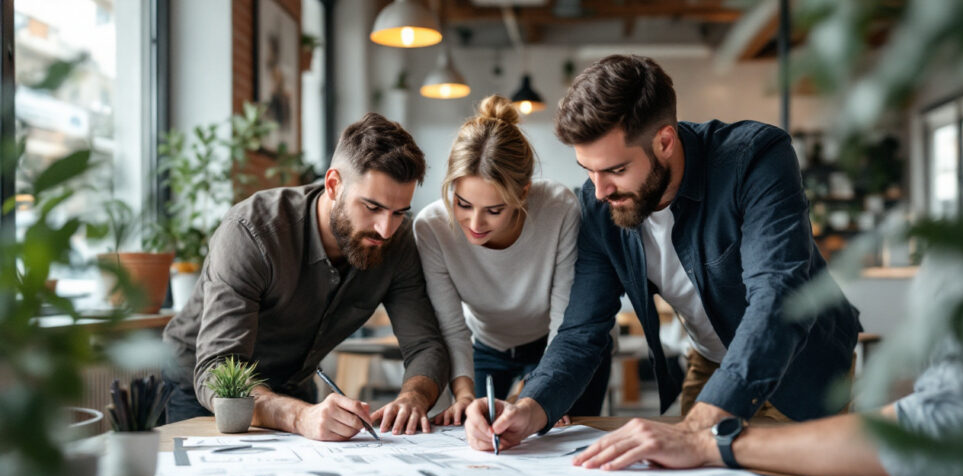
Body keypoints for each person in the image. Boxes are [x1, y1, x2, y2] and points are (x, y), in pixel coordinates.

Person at [465, 54, 861, 453]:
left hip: (802, 366)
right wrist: (530, 407)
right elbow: (582, 331)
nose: (600, 191)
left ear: (665, 142)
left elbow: (778, 298)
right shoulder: (598, 205)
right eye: (588, 169)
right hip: (711, 363)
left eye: (616, 170)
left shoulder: (753, 159)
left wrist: (700, 425)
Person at [163, 113, 449, 440]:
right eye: (372, 207)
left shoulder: (397, 242)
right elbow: (218, 369)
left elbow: (425, 346)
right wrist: (300, 417)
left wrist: (413, 398)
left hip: (291, 389)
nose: (385, 229)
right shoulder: (251, 232)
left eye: (399, 213)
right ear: (333, 185)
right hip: (205, 392)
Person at [414, 95, 611, 426]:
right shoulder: (431, 228)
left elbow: (565, 318)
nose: (475, 224)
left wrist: (539, 395)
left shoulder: (559, 208)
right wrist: (463, 396)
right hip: (486, 346)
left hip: (559, 344)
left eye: (494, 210)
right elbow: (452, 327)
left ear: (522, 193)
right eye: (463, 204)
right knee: (476, 430)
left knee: (564, 437)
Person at [571, 339, 963, 476]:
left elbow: (949, 426)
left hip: (796, 359)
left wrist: (708, 442)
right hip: (710, 352)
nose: (601, 190)